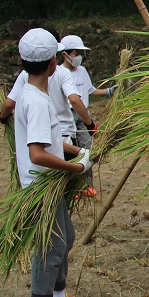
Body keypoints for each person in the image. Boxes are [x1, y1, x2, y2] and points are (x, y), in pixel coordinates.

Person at [14, 28, 95, 297]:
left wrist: (79, 152)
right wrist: (74, 169)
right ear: (52, 62)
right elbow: (37, 154)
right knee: (52, 244)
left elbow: (49, 143)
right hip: (39, 184)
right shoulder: (35, 101)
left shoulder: (35, 94)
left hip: (49, 181)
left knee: (66, 237)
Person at [0, 28, 97, 161]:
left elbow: (9, 104)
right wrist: (90, 125)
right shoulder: (57, 79)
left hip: (37, 138)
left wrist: (3, 118)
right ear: (53, 58)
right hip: (63, 135)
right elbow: (74, 100)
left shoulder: (25, 83)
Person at [59, 34, 116, 196]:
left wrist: (108, 91)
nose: (79, 58)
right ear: (65, 54)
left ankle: (86, 185)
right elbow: (72, 100)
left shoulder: (82, 71)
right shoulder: (58, 73)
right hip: (67, 116)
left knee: (87, 150)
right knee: (70, 152)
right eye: (76, 54)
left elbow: (90, 90)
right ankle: (72, 186)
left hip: (83, 117)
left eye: (81, 54)